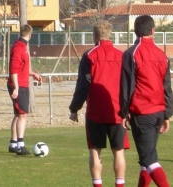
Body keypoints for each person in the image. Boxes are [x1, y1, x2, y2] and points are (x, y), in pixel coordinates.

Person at [69, 20, 130, 187]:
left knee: (95, 152)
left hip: (95, 112)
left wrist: (74, 108)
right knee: (118, 152)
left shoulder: (89, 55)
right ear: (110, 34)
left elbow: (83, 84)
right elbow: (129, 83)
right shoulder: (122, 55)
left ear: (94, 35)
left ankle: (98, 184)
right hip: (117, 111)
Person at [119, 15, 173, 187]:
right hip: (158, 112)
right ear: (152, 31)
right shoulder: (162, 55)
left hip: (142, 112)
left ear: (135, 31)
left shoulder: (131, 54)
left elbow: (127, 86)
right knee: (146, 158)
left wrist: (123, 112)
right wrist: (167, 114)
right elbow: (167, 87)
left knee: (149, 159)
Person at [7, 24, 41, 155]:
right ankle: (20, 145)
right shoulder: (19, 48)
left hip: (21, 83)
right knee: (22, 114)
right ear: (30, 35)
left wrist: (33, 74)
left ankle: (13, 143)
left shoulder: (22, 46)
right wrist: (16, 87)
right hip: (19, 85)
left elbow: (21, 67)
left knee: (18, 114)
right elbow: (14, 70)